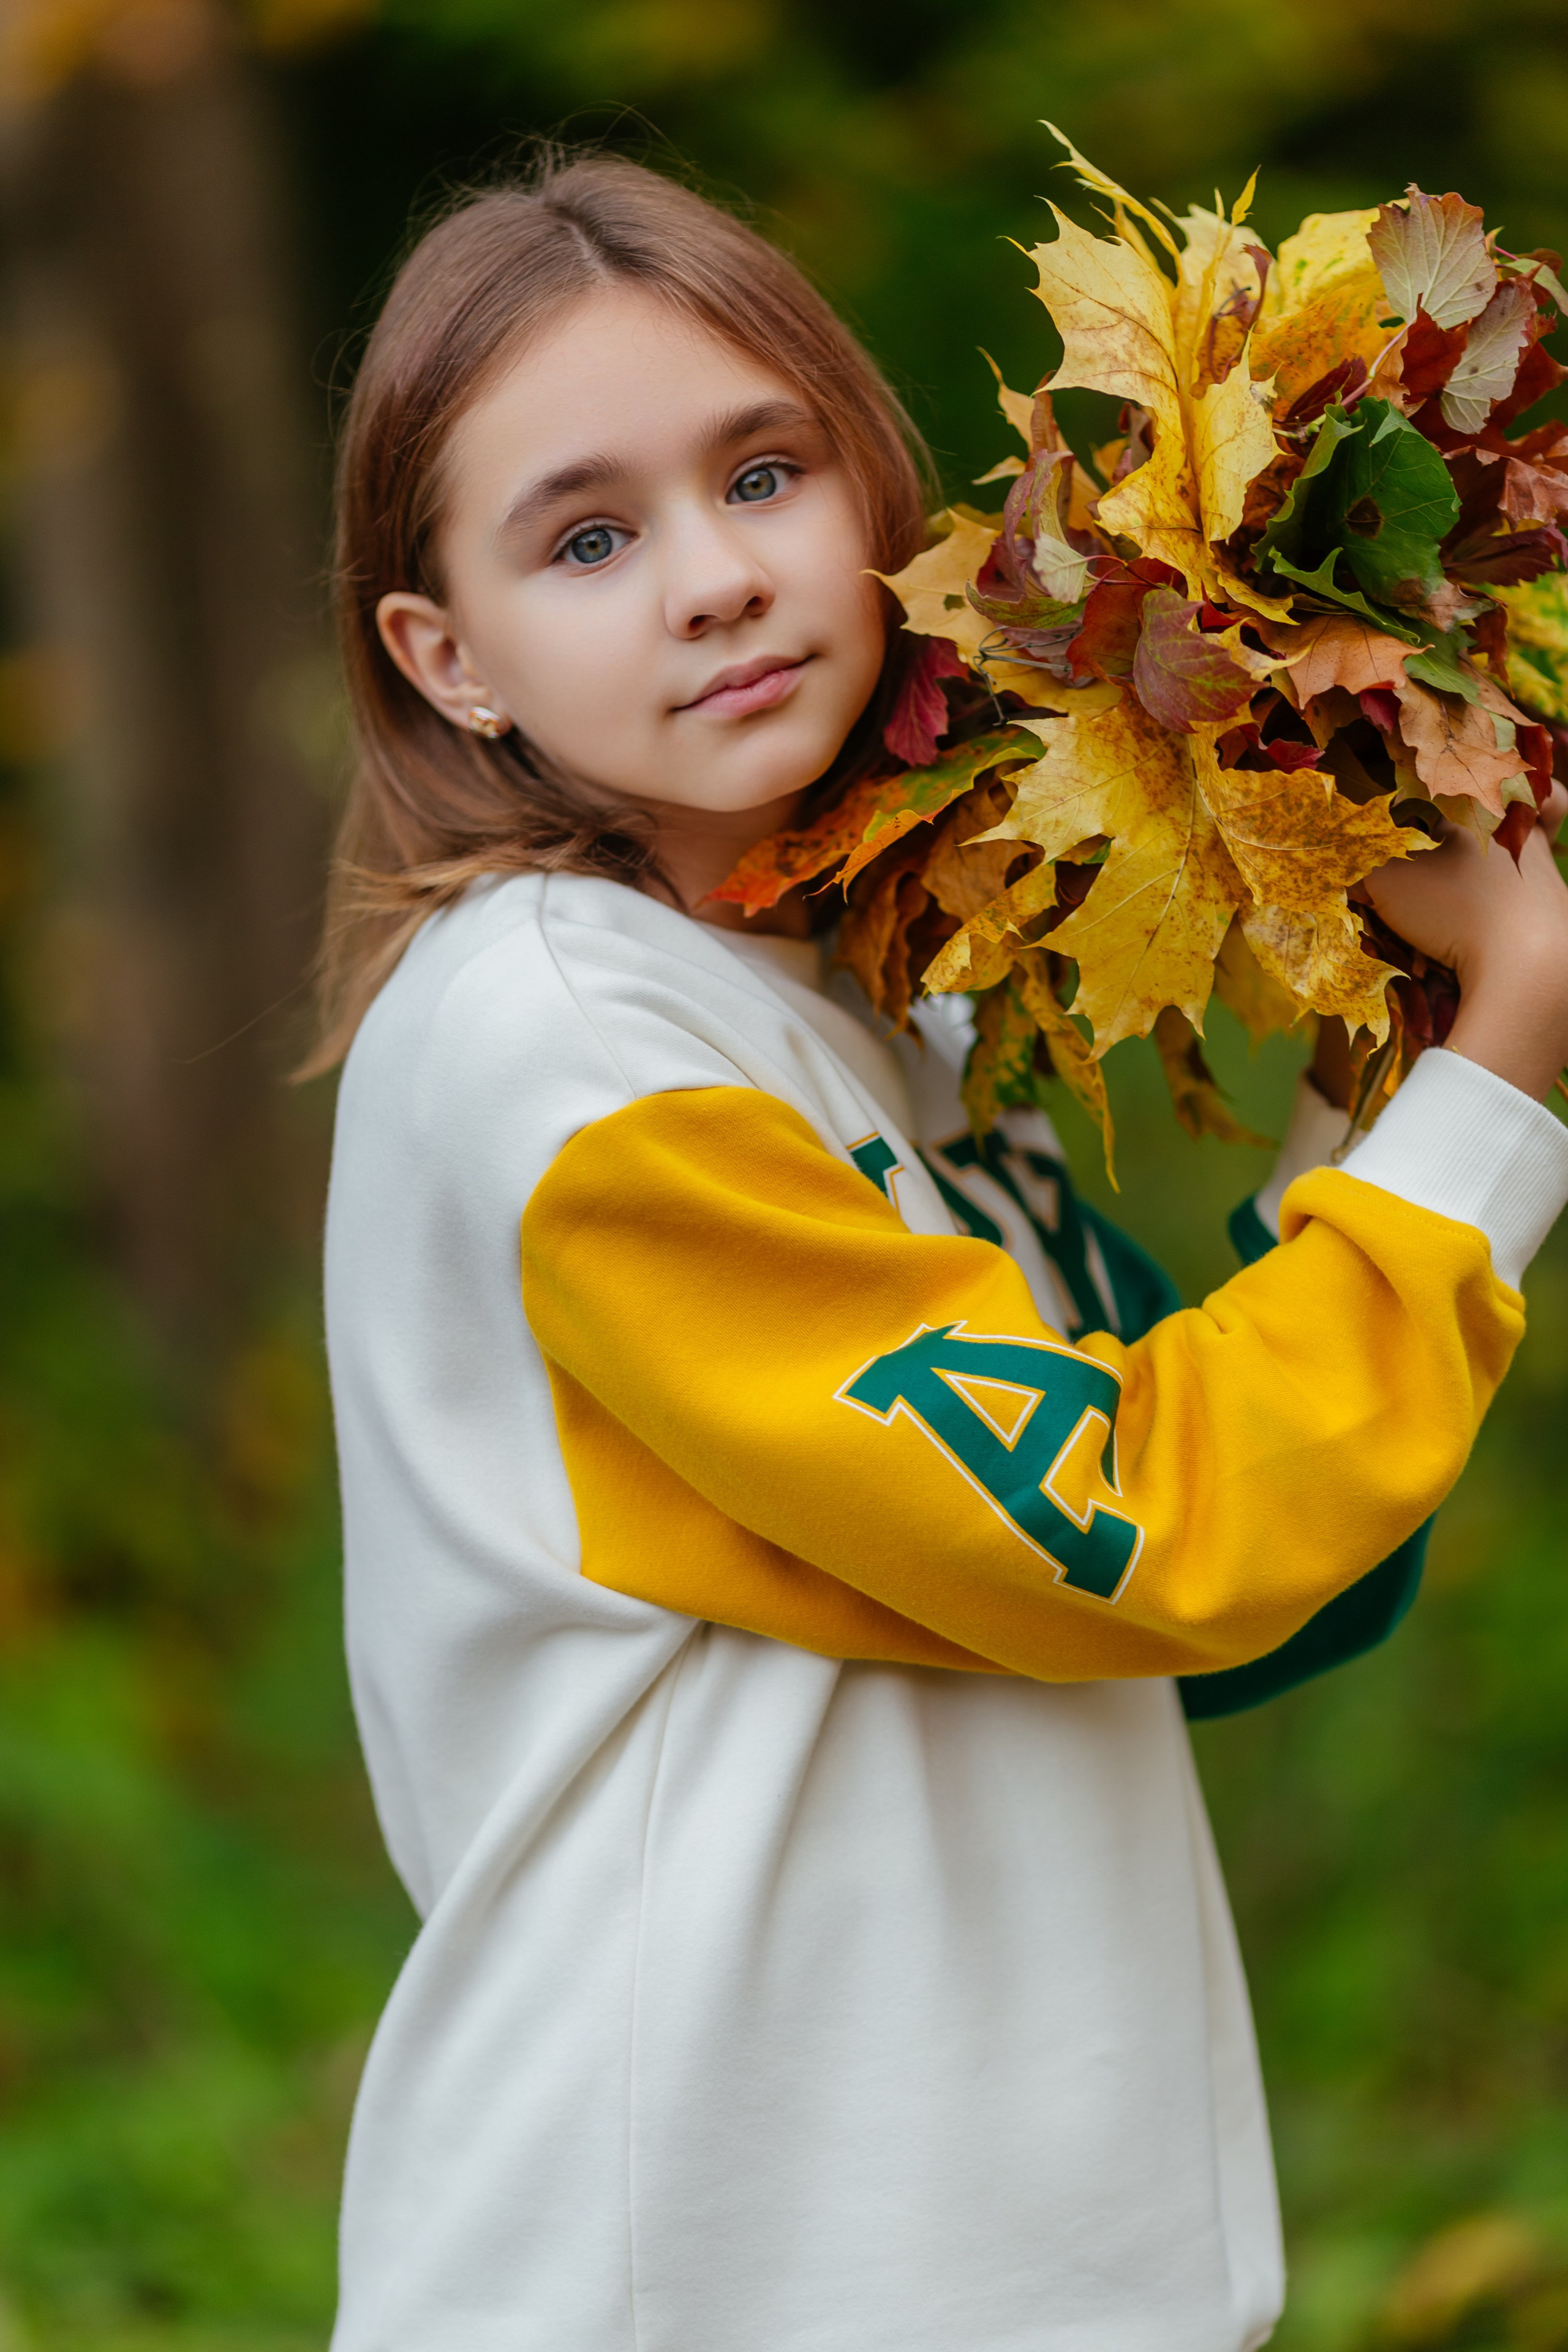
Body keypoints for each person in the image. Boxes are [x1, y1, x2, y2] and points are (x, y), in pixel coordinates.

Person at [315, 152, 1568, 2352]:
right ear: (450, 657)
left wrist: (1419, 1031)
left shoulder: (901, 1006)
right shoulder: (568, 1046)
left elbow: (1263, 1575)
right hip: (706, 2285)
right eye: (587, 539)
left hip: (1015, 2275)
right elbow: (1140, 1536)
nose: (709, 578)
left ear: (881, 492)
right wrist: (1512, 1087)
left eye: (764, 471)